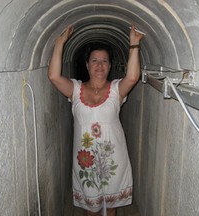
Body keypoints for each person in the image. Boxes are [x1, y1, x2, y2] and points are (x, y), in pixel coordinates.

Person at [48, 24, 143, 216]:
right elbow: (54, 76)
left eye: (104, 61)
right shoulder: (75, 90)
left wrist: (134, 44)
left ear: (109, 66)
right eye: (94, 60)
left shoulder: (116, 90)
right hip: (85, 160)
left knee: (110, 206)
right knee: (91, 207)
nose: (99, 65)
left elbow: (132, 77)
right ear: (87, 65)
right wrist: (60, 42)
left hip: (113, 157)